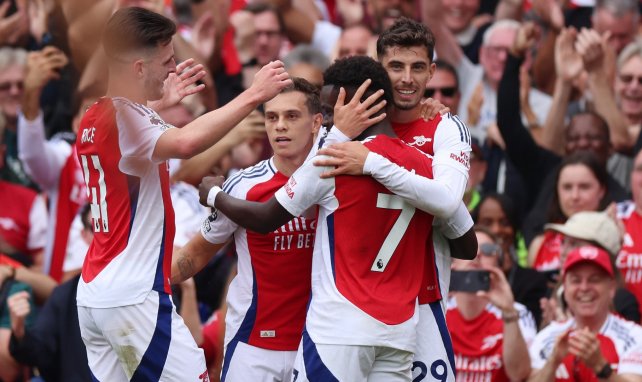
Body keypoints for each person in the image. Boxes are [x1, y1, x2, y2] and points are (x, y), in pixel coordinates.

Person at [75, 7, 291, 381]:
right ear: (139, 68)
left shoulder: (95, 115)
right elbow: (187, 142)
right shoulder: (129, 120)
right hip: (134, 296)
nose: (172, 69)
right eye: (167, 62)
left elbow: (132, 132)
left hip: (95, 294)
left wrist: (157, 102)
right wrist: (253, 94)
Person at [200, 56, 438, 381]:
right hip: (398, 330)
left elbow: (267, 216)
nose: (325, 123)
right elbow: (465, 240)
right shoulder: (424, 164)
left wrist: (214, 195)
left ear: (357, 105)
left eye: (327, 112)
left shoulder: (334, 161)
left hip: (340, 329)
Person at [171, 77, 322, 381]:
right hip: (254, 344)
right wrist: (138, 280)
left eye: (291, 116)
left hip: (317, 343)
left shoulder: (335, 178)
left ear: (316, 122)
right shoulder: (242, 186)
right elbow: (196, 255)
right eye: (272, 117)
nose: (280, 126)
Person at [528, 245, 642, 381]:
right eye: (576, 280)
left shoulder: (634, 336)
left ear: (611, 288)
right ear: (565, 288)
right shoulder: (548, 336)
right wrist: (553, 362)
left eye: (594, 280)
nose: (584, 288)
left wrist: (601, 367)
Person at [447, 226, 535, 381]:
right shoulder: (436, 310)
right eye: (467, 247)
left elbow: (520, 374)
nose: (477, 254)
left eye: (488, 250)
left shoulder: (518, 312)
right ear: (452, 263)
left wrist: (508, 311)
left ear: (499, 265)